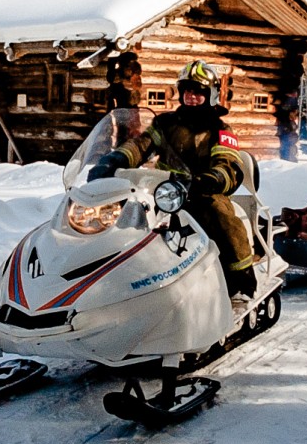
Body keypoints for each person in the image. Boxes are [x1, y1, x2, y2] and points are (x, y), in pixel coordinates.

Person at [92, 60, 259, 307]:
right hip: (164, 192)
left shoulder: (219, 128)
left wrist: (212, 179)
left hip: (201, 192)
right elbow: (142, 145)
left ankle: (240, 279)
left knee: (220, 213)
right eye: (187, 91)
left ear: (210, 95)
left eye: (198, 92)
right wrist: (114, 160)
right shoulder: (166, 123)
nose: (191, 97)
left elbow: (228, 164)